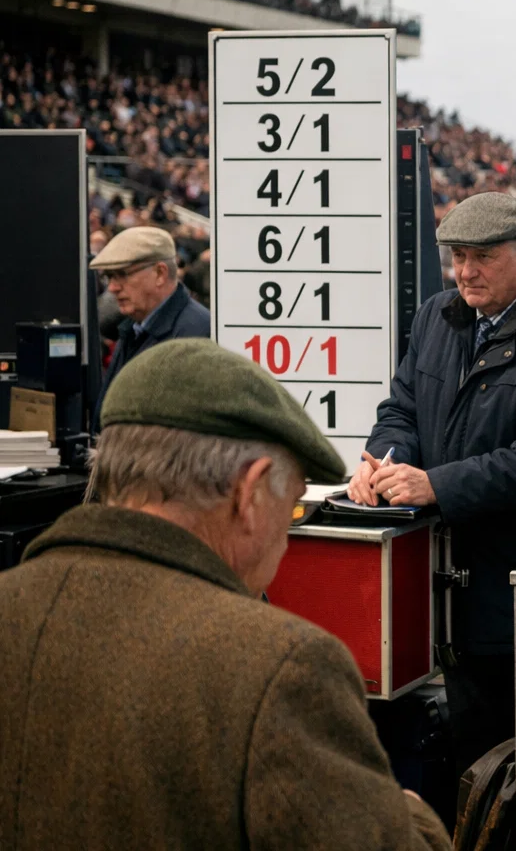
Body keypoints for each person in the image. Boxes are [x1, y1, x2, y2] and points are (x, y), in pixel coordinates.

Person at [0, 339, 450, 850]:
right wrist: (409, 815)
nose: (286, 539)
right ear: (250, 492)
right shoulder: (283, 668)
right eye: (294, 507)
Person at [348, 191, 516, 775]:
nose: (465, 271)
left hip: (511, 587)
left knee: (503, 760)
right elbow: (402, 407)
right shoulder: (437, 315)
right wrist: (381, 460)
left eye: (481, 256)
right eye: (458, 256)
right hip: (433, 587)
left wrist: (435, 486)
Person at [90, 225, 209, 416]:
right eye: (110, 276)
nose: (112, 287)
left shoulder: (195, 334)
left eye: (122, 275)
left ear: (160, 274)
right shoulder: (133, 328)